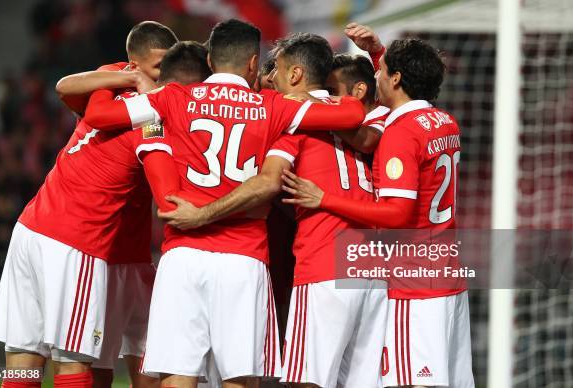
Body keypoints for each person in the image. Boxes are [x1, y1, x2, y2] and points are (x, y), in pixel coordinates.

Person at [82, 18, 366, 388]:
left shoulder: (173, 98)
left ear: (211, 62)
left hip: (183, 255)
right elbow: (352, 114)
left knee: (177, 376)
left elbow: (97, 116)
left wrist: (121, 78)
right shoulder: (272, 107)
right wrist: (305, 98)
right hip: (243, 259)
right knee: (239, 377)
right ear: (252, 65)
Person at [0, 41, 209, 388]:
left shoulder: (109, 85)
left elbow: (72, 93)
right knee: (74, 363)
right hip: (78, 240)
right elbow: (168, 198)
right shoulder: (153, 119)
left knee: (23, 363)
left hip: (32, 229)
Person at [281, 38, 475, 388]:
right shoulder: (445, 122)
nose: (377, 79)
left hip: (413, 284)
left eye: (382, 72)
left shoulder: (401, 134)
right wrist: (376, 52)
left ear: (397, 78)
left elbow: (397, 214)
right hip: (448, 276)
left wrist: (325, 199)